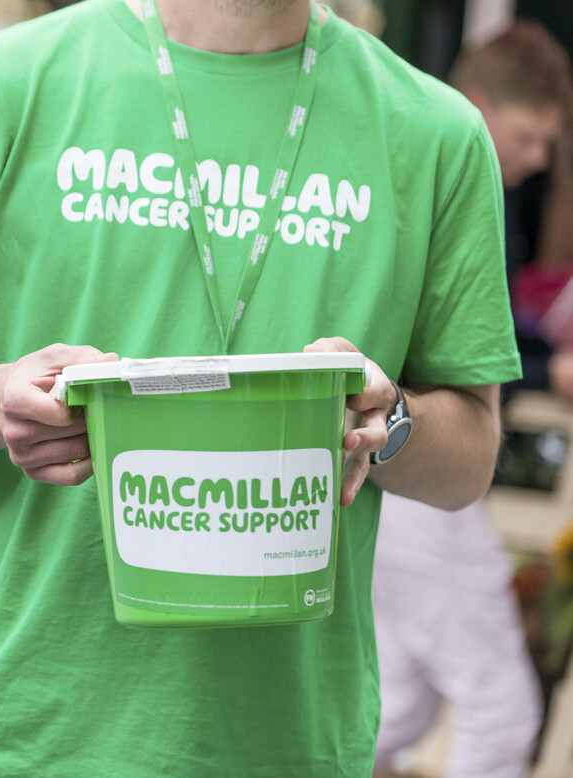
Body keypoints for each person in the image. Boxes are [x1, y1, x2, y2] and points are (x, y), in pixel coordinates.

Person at [0, 0, 520, 775]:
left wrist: (389, 421)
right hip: (13, 739)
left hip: (279, 748)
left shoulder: (436, 134)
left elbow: (470, 457)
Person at [372, 22, 573, 778]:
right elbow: (455, 344)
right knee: (501, 705)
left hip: (392, 480)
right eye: (528, 135)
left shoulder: (411, 172)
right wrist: (549, 367)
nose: (538, 158)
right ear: (476, 105)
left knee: (400, 703)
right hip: (423, 468)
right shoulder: (442, 177)